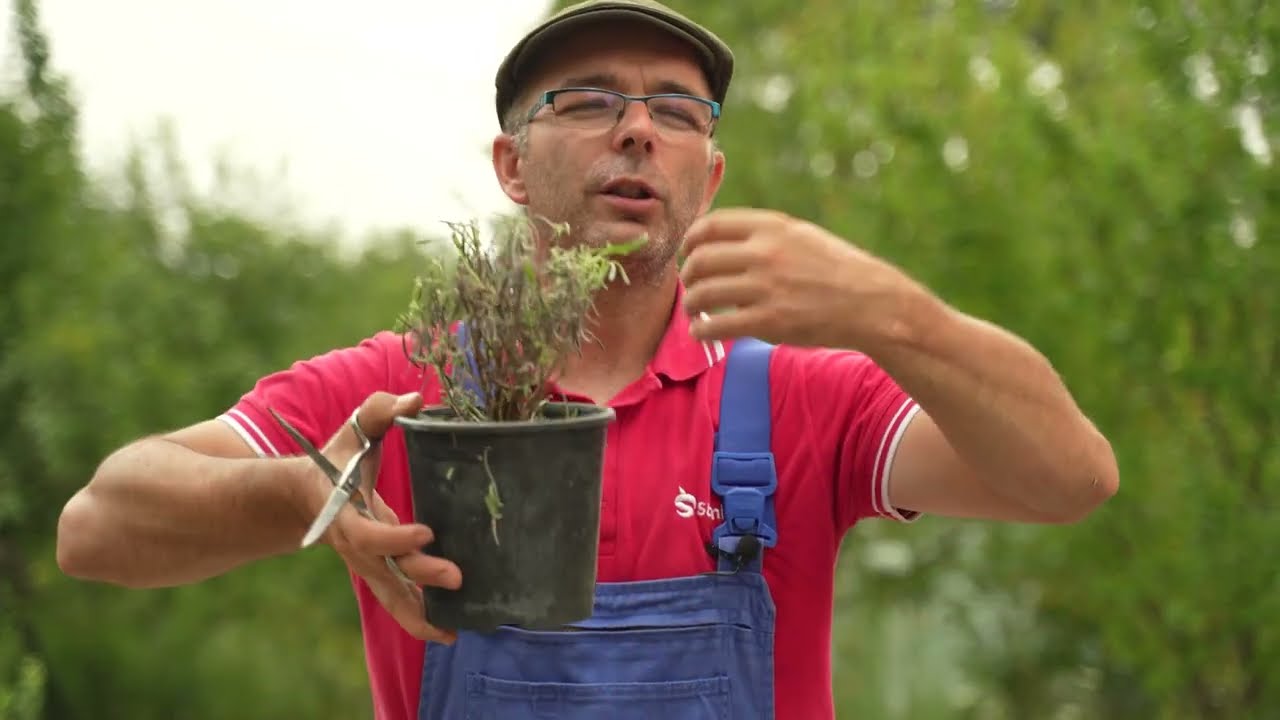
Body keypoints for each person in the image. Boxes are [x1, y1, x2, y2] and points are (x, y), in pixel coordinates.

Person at [54, 1, 1120, 718]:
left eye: (674, 108)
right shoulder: (400, 395)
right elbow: (96, 527)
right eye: (591, 100)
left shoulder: (796, 398)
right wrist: (305, 495)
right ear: (512, 168)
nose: (638, 130)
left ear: (706, 175)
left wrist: (892, 314)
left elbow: (1069, 478)